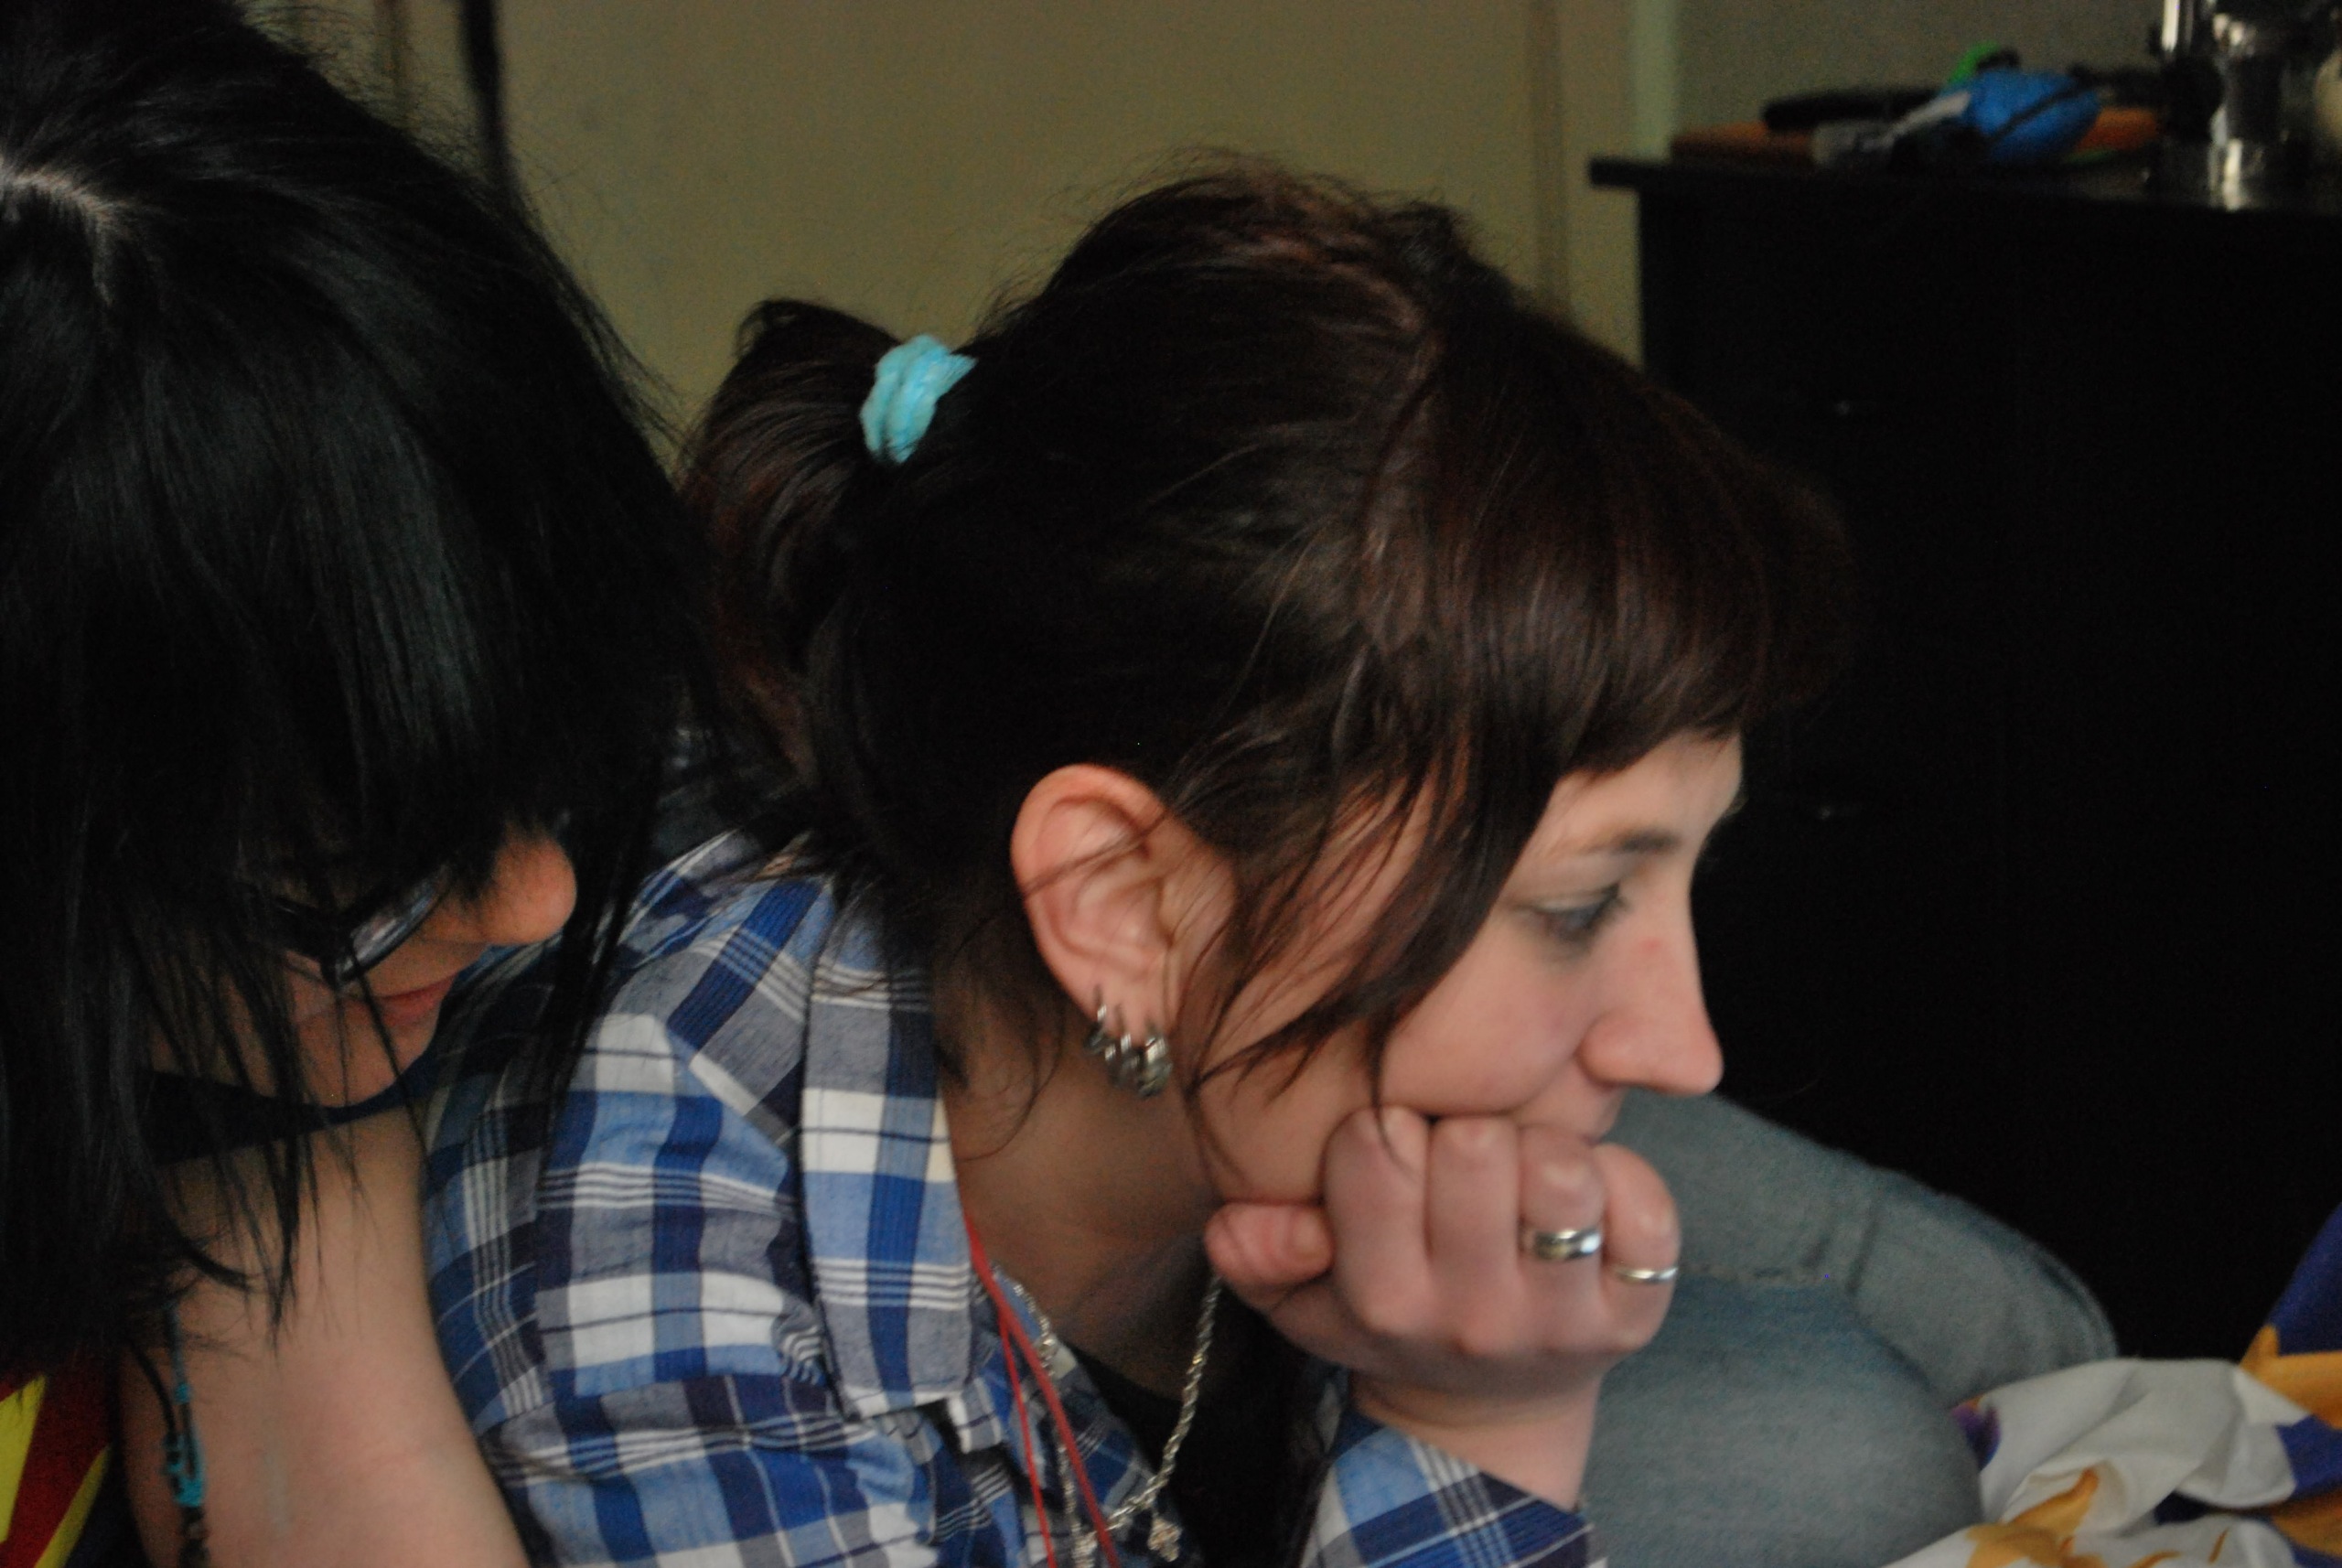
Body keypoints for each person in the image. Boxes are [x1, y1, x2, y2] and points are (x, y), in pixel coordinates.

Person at [420, 164, 1877, 1566]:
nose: (1683, 1044)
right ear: (1123, 905)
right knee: (1852, 1452)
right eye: (1577, 905)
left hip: (1251, 1064)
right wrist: (1479, 1430)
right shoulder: (669, 1284)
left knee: (1958, 1353)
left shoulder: (1282, 1012)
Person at [0, 2, 702, 1563]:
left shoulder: (250, 1046)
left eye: (546, 770)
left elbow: (341, 1482)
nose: (536, 898)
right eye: (360, 869)